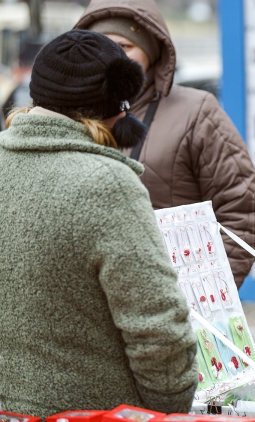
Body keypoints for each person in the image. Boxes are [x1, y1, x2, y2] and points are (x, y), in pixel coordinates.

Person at [0, 30, 197, 416]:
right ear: (118, 106)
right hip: (94, 412)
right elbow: (158, 330)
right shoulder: (107, 184)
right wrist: (167, 409)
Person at [74, 0, 255, 289]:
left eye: (124, 46)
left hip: (169, 311)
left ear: (151, 51)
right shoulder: (67, 115)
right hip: (91, 317)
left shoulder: (196, 111)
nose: (112, 58)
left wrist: (202, 296)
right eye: (101, 45)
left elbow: (243, 211)